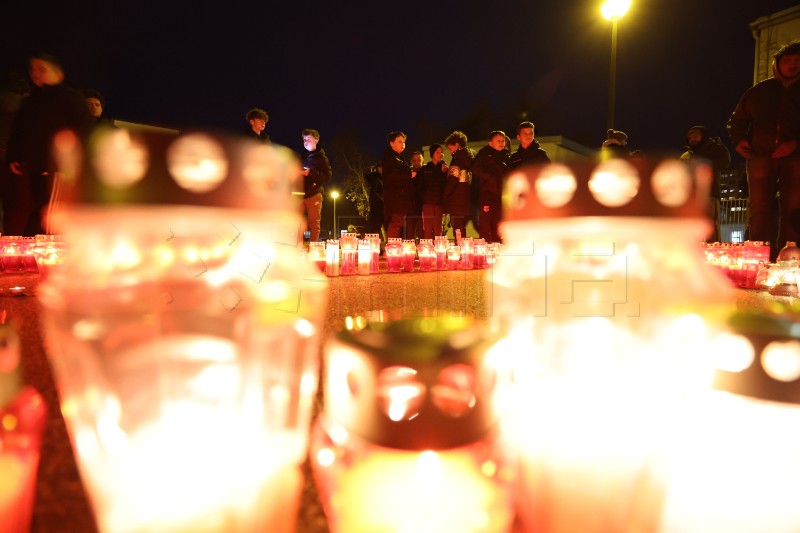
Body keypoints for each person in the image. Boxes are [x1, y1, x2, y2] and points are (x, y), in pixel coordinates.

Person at [727, 40, 800, 258]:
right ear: (777, 64)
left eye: (798, 61)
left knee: (792, 210)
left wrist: (795, 143)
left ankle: (787, 257)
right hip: (760, 157)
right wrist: (739, 140)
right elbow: (737, 120)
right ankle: (757, 256)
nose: (793, 65)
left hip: (796, 159)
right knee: (759, 209)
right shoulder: (759, 92)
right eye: (788, 60)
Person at [6, 52, 91, 235]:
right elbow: (20, 131)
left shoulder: (69, 98)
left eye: (42, 69)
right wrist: (15, 156)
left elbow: (83, 131)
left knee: (51, 212)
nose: (36, 72)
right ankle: (34, 252)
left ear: (58, 75)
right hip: (35, 167)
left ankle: (48, 253)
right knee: (34, 209)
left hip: (59, 168)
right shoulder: (30, 101)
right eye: (33, 69)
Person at [680, 125, 731, 241]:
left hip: (710, 193)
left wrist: (704, 166)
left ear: (703, 136)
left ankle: (714, 252)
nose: (692, 139)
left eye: (696, 136)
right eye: (690, 137)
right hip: (691, 196)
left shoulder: (714, 148)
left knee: (710, 225)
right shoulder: (688, 155)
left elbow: (725, 161)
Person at [472, 131, 509, 243]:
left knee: (497, 223)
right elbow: (475, 168)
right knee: (485, 223)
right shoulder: (484, 153)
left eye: (503, 140)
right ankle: (484, 248)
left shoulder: (505, 155)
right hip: (487, 193)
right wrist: (490, 177)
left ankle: (496, 247)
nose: (501, 143)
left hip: (501, 195)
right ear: (490, 142)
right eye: (498, 140)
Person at [300, 129, 332, 242]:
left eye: (308, 139)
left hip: (314, 194)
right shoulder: (303, 156)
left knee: (313, 222)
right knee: (298, 222)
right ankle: (298, 247)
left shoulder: (321, 158)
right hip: (301, 194)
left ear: (316, 140)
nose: (306, 142)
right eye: (304, 139)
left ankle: (313, 248)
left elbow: (328, 176)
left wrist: (311, 173)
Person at [381, 131, 415, 239]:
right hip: (396, 197)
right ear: (391, 143)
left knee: (399, 223)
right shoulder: (390, 157)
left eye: (404, 142)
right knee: (397, 223)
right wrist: (409, 174)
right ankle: (391, 248)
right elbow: (391, 176)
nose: (402, 144)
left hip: (401, 197)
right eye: (399, 141)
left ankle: (394, 247)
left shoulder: (399, 158)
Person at [442, 130, 474, 240]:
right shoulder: (469, 157)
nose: (450, 152)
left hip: (456, 200)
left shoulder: (457, 158)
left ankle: (459, 250)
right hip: (466, 199)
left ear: (456, 145)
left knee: (457, 227)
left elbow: (452, 179)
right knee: (461, 226)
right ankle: (463, 249)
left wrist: (445, 195)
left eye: (450, 149)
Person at [416, 143, 447, 239]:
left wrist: (443, 173)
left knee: (438, 228)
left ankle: (438, 249)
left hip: (439, 202)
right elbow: (419, 186)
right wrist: (423, 197)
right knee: (428, 227)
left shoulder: (444, 169)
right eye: (438, 152)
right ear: (432, 154)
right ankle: (427, 249)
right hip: (427, 202)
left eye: (442, 152)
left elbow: (445, 185)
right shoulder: (425, 169)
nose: (440, 154)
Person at [364, 163, 385, 239]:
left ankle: (374, 243)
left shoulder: (379, 178)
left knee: (376, 227)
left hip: (377, 206)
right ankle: (373, 244)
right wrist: (383, 201)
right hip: (378, 207)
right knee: (375, 227)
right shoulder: (376, 179)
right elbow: (376, 193)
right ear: (378, 168)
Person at [409, 150, 425, 238]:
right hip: (410, 208)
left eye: (418, 160)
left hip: (422, 207)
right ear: (411, 161)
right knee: (410, 234)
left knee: (422, 234)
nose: (416, 162)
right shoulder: (407, 174)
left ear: (422, 161)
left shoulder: (425, 173)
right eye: (414, 160)